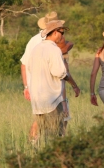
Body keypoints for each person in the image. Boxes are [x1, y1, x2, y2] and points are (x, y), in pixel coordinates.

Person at [20, 11, 79, 141]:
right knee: (55, 134)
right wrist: (74, 84)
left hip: (37, 99)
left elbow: (27, 67)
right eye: (62, 33)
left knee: (42, 131)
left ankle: (35, 151)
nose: (63, 36)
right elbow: (60, 73)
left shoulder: (36, 48)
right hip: (51, 99)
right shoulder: (54, 49)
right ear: (56, 32)